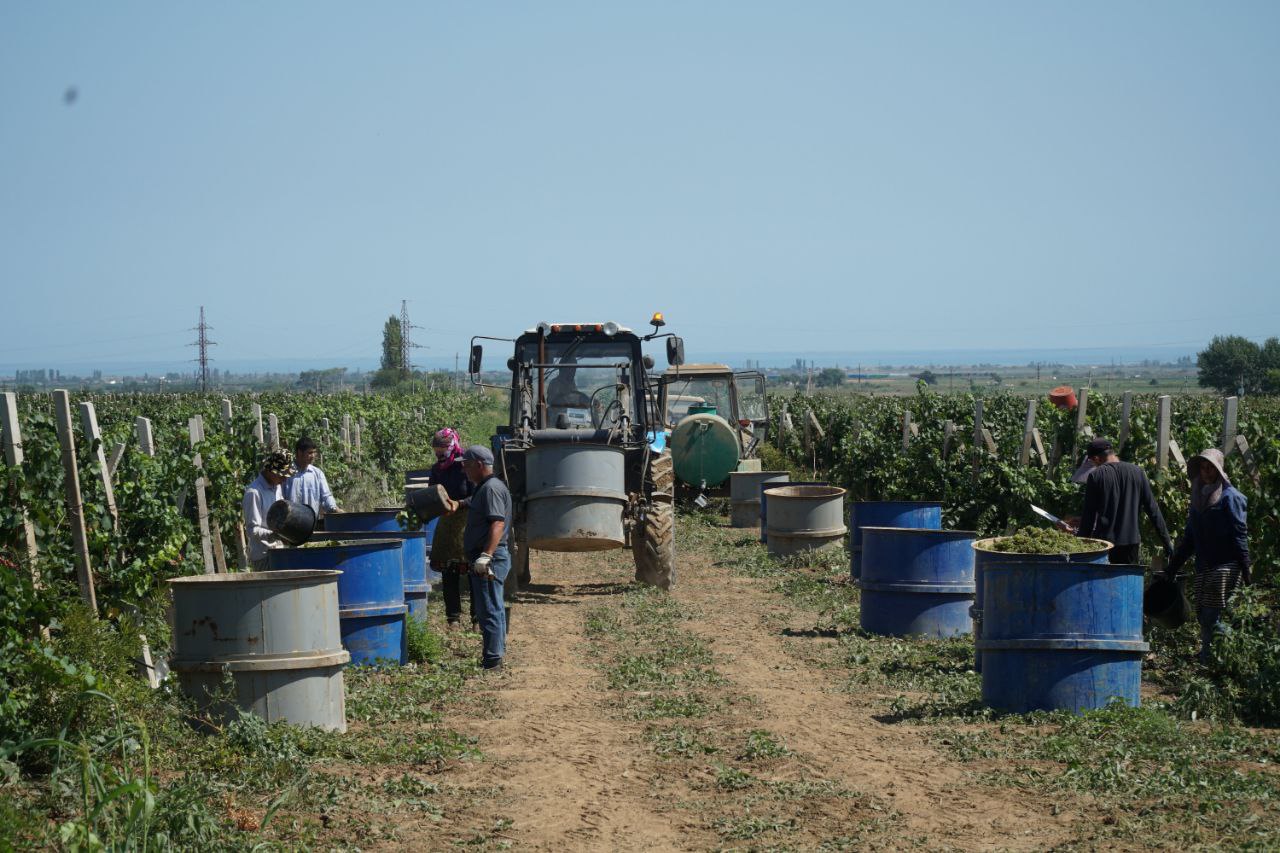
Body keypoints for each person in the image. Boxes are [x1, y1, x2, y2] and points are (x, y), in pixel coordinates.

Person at [1164, 448, 1250, 664]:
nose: (1206, 472)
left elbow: (1239, 534)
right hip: (1205, 565)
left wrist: (1245, 566)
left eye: (1211, 467)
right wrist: (1173, 567)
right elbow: (1190, 539)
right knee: (1204, 614)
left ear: (1220, 470)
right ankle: (1216, 657)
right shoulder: (1198, 499)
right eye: (1203, 467)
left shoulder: (1231, 498)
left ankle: (1215, 659)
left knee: (1212, 615)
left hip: (1225, 564)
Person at [1062, 438, 1175, 565]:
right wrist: (1167, 543)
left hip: (1104, 545)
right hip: (1131, 544)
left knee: (1105, 583)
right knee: (1126, 582)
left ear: (1096, 459)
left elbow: (1089, 517)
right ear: (1112, 452)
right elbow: (1153, 510)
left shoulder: (1096, 476)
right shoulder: (1138, 472)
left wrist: (1080, 549)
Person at [460, 445, 512, 671]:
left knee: (489, 608)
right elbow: (473, 503)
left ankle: (493, 660)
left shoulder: (490, 489)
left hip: (490, 558)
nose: (465, 470)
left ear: (479, 465)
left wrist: (485, 555)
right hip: (490, 556)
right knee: (494, 606)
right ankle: (496, 653)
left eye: (467, 465)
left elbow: (497, 523)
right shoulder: (486, 487)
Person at [427, 428, 476, 630]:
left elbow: (479, 496)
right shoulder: (437, 470)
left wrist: (460, 503)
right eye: (436, 450)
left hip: (468, 524)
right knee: (449, 572)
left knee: (475, 572)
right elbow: (432, 494)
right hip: (447, 525)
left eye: (443, 450)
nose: (440, 454)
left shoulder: (466, 466)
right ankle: (453, 618)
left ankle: (477, 619)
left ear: (453, 446)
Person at [243, 450, 294, 570]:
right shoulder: (254, 493)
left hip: (279, 552)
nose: (284, 480)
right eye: (282, 476)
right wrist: (275, 535)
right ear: (270, 472)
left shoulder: (277, 487)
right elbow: (252, 530)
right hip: (264, 556)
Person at [284, 437, 338, 518]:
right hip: (289, 523)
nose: (313, 456)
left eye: (314, 452)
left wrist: (334, 509)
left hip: (311, 524)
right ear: (299, 453)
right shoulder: (287, 473)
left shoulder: (317, 474)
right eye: (309, 453)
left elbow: (326, 496)